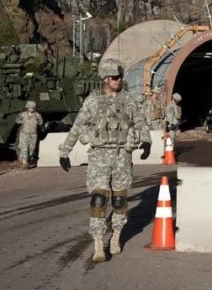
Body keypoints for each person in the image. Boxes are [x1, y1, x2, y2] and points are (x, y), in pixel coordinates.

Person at [58, 58, 152, 263]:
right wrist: (65, 151)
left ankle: (116, 236)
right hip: (99, 156)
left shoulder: (128, 99)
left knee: (119, 200)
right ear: (105, 79)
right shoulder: (92, 100)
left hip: (122, 155)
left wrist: (146, 141)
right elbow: (78, 125)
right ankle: (99, 244)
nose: (119, 80)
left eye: (120, 77)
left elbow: (139, 121)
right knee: (99, 198)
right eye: (115, 78)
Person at [15, 100, 43, 169]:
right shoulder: (23, 114)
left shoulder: (37, 115)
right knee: (24, 148)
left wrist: (37, 123)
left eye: (33, 108)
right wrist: (21, 122)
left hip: (33, 135)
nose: (31, 109)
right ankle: (25, 163)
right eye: (30, 108)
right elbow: (17, 120)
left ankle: (30, 160)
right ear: (27, 108)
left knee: (32, 149)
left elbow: (41, 122)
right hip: (24, 134)